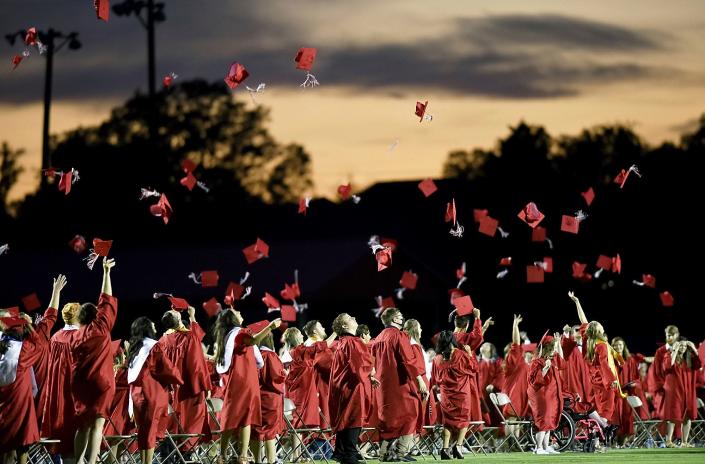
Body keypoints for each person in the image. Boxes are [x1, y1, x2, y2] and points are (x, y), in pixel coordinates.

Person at [0, 274, 66, 464]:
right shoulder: (26, 350)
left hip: (5, 410)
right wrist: (55, 292)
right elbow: (49, 319)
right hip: (23, 406)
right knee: (21, 442)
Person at [214, 309, 281, 464]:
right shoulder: (239, 333)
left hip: (242, 380)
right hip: (244, 381)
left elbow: (258, 359)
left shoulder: (231, 335)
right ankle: (233, 455)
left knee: (241, 417)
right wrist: (270, 327)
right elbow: (252, 341)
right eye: (236, 312)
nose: (239, 311)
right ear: (233, 318)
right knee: (241, 417)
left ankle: (231, 455)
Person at [72, 258, 118, 464]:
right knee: (98, 425)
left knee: (83, 426)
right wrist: (106, 273)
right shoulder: (100, 328)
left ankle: (78, 462)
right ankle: (91, 463)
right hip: (101, 383)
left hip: (81, 385)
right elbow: (106, 299)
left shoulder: (74, 336)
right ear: (96, 316)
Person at [371, 308, 428, 461]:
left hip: (383, 385)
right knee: (411, 414)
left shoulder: (379, 337)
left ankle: (384, 454)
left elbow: (372, 362)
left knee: (388, 419)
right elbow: (407, 360)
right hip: (399, 383)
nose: (402, 318)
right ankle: (400, 452)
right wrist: (420, 380)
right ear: (395, 319)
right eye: (400, 316)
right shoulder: (399, 335)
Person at [127, 316, 183, 464]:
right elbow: (166, 368)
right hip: (151, 393)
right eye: (153, 326)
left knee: (143, 432)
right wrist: (179, 378)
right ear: (147, 328)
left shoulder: (136, 348)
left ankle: (145, 462)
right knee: (150, 431)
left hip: (137, 394)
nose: (155, 328)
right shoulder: (154, 347)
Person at [568, 291, 623, 444]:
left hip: (594, 383)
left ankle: (595, 438)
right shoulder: (601, 346)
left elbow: (583, 320)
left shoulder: (587, 342)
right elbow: (605, 366)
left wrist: (577, 302)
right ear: (599, 331)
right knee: (605, 413)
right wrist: (612, 380)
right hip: (604, 383)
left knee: (598, 412)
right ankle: (600, 435)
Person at [159, 306, 211, 452]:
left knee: (171, 421)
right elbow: (197, 365)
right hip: (189, 389)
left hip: (169, 389)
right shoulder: (189, 338)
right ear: (178, 320)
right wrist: (205, 386)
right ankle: (186, 454)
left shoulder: (162, 341)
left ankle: (167, 454)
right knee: (190, 421)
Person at [329, 313, 377, 464]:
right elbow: (359, 367)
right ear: (344, 326)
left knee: (345, 418)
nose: (355, 319)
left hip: (342, 386)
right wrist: (370, 369)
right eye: (351, 318)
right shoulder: (353, 342)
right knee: (353, 417)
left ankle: (342, 453)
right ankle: (349, 454)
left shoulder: (342, 342)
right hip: (352, 388)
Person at [37, 301, 81, 463]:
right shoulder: (80, 336)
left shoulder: (55, 337)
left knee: (62, 433)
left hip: (57, 390)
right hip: (75, 391)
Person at [431, 331, 476, 460]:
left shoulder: (437, 359)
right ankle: (458, 447)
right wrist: (469, 353)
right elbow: (473, 368)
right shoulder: (461, 355)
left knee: (448, 422)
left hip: (446, 395)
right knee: (464, 420)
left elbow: (435, 378)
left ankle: (445, 449)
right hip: (461, 392)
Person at [527, 333, 564, 455]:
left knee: (549, 420)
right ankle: (538, 448)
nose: (554, 351)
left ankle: (546, 446)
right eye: (553, 348)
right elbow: (534, 381)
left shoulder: (552, 359)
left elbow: (562, 363)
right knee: (543, 420)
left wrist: (559, 344)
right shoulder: (537, 362)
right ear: (547, 348)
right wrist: (545, 369)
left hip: (551, 394)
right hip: (541, 395)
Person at [251, 332, 286, 464]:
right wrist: (284, 375)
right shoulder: (270, 355)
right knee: (269, 431)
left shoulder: (253, 355)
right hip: (269, 398)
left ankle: (257, 460)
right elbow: (274, 378)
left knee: (256, 430)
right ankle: (271, 461)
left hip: (256, 396)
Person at [662, 338, 701, 447]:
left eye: (684, 346)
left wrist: (693, 348)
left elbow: (699, 364)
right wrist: (674, 350)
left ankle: (684, 442)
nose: (683, 348)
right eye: (681, 346)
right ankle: (668, 441)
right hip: (675, 390)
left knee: (688, 415)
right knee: (673, 415)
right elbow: (668, 366)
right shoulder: (668, 355)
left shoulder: (689, 358)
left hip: (688, 390)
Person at [611, 336, 651, 444]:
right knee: (615, 418)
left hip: (626, 393)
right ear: (612, 346)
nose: (618, 347)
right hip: (614, 393)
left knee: (627, 419)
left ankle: (623, 443)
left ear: (623, 346)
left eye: (620, 345)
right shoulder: (610, 359)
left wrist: (634, 383)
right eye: (615, 345)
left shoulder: (630, 360)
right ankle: (613, 441)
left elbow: (636, 378)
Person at [403, 319, 437, 433]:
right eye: (419, 327)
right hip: (421, 384)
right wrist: (424, 385)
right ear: (414, 329)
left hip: (423, 382)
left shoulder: (415, 345)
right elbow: (418, 368)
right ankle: (412, 445)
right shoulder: (413, 346)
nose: (421, 329)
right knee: (419, 415)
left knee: (424, 415)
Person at [502, 315, 532, 437]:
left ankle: (513, 444)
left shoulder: (515, 362)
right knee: (512, 419)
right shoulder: (515, 359)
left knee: (515, 419)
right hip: (515, 393)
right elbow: (516, 342)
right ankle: (512, 443)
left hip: (516, 392)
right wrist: (515, 325)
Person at [303, 320, 335, 429]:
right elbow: (331, 366)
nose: (324, 328)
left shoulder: (309, 344)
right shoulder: (315, 346)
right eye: (321, 326)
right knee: (322, 427)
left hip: (315, 388)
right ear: (315, 331)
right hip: (320, 389)